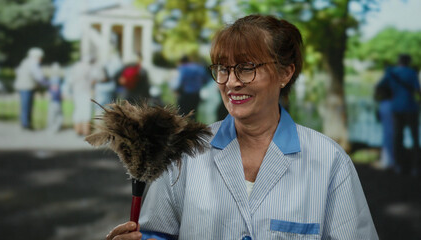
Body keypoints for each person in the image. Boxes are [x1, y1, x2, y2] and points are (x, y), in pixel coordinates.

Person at [106, 15, 378, 239]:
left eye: (246, 67)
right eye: (222, 68)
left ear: (285, 73)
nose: (231, 82)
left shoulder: (329, 160)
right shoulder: (186, 153)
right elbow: (157, 234)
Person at [377, 54, 420, 176]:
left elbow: (380, 87)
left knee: (397, 137)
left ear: (399, 61)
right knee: (415, 137)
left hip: (396, 108)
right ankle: (415, 167)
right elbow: (417, 90)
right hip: (411, 108)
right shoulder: (412, 73)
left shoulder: (391, 73)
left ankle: (398, 165)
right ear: (409, 62)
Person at [14, 47, 45, 130]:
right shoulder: (33, 63)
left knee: (25, 106)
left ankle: (25, 123)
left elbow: (18, 71)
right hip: (27, 87)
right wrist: (46, 83)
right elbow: (39, 76)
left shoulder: (25, 61)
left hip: (23, 86)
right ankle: (26, 124)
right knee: (27, 106)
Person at [45, 62, 64, 133]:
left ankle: (52, 127)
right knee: (58, 114)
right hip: (56, 100)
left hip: (53, 99)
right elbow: (55, 90)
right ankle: (54, 128)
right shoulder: (56, 79)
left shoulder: (52, 78)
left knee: (52, 114)